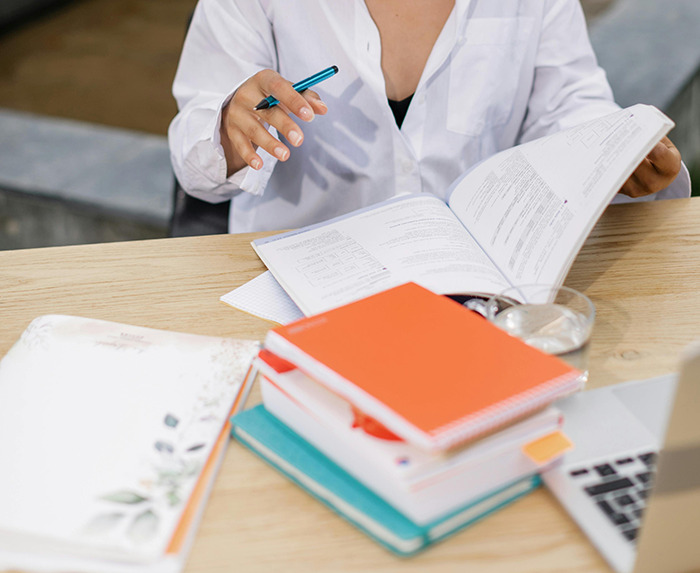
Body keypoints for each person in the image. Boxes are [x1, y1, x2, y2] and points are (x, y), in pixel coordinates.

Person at [168, 0, 689, 234]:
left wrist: (610, 154)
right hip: (298, 288)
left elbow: (570, 105)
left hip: (475, 290)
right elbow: (195, 166)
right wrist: (230, 130)